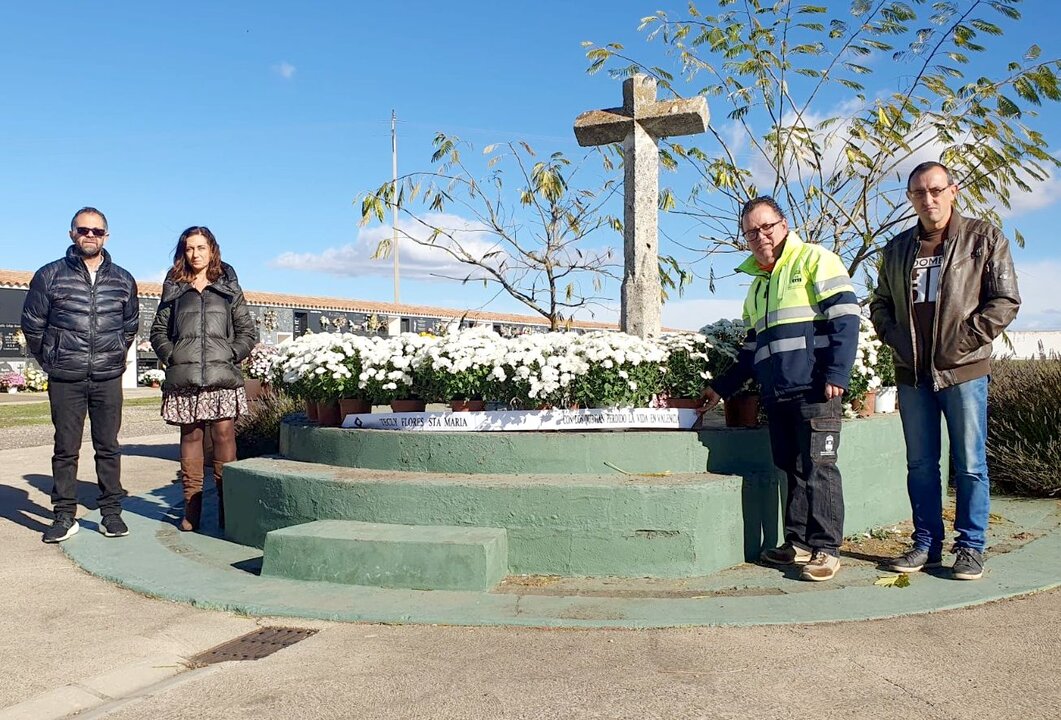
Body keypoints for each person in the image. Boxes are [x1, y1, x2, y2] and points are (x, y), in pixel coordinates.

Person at [870, 162, 1020, 581]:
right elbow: (879, 302)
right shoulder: (897, 248)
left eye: (936, 190)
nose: (928, 199)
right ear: (910, 198)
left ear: (953, 191)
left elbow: (1005, 300)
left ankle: (971, 548)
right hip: (912, 374)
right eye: (919, 192)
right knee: (920, 464)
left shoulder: (983, 238)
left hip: (964, 372)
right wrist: (895, 337)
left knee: (970, 463)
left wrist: (962, 342)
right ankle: (927, 544)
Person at [699, 196, 859, 582]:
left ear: (783, 224)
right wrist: (721, 388)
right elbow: (752, 351)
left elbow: (846, 318)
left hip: (816, 390)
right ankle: (798, 542)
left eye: (766, 226)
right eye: (751, 231)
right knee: (791, 467)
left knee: (820, 468)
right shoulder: (757, 286)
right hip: (778, 392)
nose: (760, 236)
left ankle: (826, 548)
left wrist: (837, 374)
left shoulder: (814, 260)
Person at [21, 207, 139, 542]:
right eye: (83, 230)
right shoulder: (50, 275)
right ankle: (63, 515)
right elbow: (32, 324)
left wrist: (115, 353)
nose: (90, 236)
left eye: (97, 231)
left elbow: (130, 325)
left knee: (108, 447)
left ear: (107, 236)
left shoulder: (122, 279)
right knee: (65, 448)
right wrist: (52, 359)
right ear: (72, 233)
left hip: (106, 377)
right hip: (65, 377)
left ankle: (111, 513)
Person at [150, 226, 257, 532]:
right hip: (185, 375)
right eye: (189, 248)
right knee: (191, 437)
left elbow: (247, 331)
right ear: (183, 251)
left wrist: (229, 353)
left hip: (221, 374)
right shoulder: (174, 285)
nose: (195, 254)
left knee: (224, 437)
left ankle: (227, 505)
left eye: (201, 248)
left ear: (212, 250)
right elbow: (158, 330)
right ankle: (192, 506)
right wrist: (173, 356)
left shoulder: (227, 285)